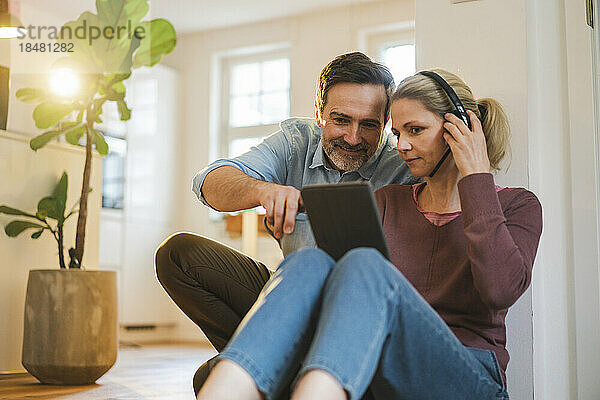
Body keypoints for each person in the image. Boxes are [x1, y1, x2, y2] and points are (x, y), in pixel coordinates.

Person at [195, 69, 543, 400]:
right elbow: (332, 294)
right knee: (310, 260)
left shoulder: (517, 205)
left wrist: (475, 177)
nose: (403, 146)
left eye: (416, 130)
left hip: (469, 375)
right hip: (382, 371)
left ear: (462, 129)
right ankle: (229, 389)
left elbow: (498, 290)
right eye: (397, 134)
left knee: (366, 264)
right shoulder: (388, 200)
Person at [154, 52, 418, 394]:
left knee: (209, 378)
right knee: (178, 254)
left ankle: (279, 374)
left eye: (369, 124)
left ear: (385, 123)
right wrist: (263, 190)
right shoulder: (296, 141)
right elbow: (209, 182)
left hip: (360, 322)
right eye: (340, 120)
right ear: (319, 112)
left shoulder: (404, 163)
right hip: (291, 302)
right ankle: (276, 367)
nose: (353, 137)